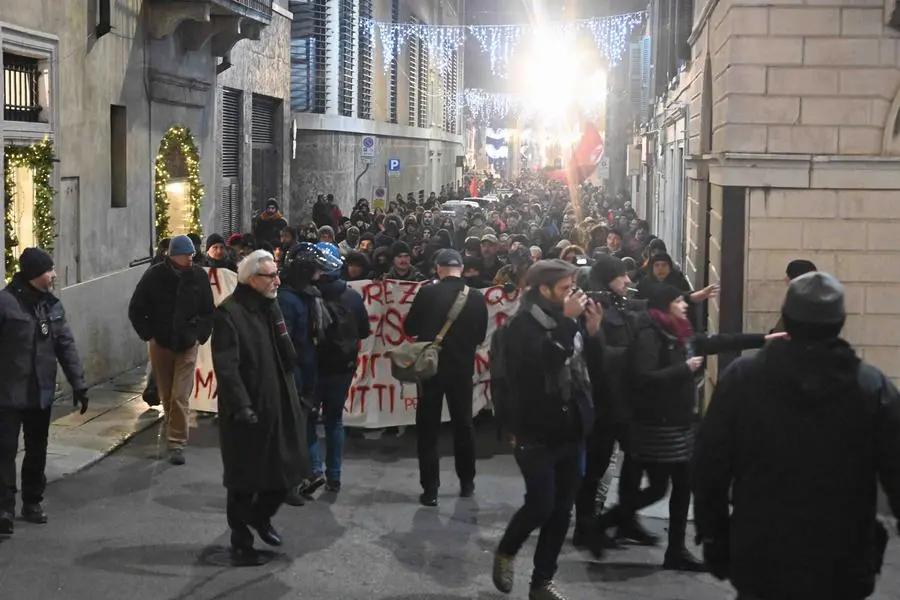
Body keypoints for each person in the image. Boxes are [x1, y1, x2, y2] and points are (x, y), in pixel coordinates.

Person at [693, 272, 900, 600]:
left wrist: (714, 534)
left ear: (787, 319)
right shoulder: (872, 387)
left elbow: (710, 464)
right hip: (843, 556)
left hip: (761, 551)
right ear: (840, 322)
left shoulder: (743, 379)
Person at [492, 259, 603, 600]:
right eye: (565, 289)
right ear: (544, 290)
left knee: (562, 510)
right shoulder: (521, 327)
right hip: (535, 430)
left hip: (572, 429)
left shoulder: (568, 321)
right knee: (541, 504)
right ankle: (507, 550)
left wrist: (594, 334)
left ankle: (542, 581)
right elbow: (544, 365)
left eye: (573, 288)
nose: (572, 295)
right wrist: (570, 322)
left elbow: (588, 368)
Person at [211, 250, 310, 566]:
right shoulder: (229, 313)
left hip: (279, 403)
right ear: (251, 279)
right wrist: (242, 406)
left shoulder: (271, 307)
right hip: (248, 410)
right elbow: (227, 367)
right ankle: (241, 543)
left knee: (288, 470)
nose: (277, 281)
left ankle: (260, 517)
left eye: (277, 274)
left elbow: (284, 354)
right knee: (244, 481)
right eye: (271, 276)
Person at [0, 248, 88, 534]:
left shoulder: (52, 306)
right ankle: (4, 509)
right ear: (35, 274)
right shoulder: (5, 304)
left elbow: (66, 346)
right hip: (8, 394)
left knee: (37, 450)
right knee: (5, 451)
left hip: (41, 392)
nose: (54, 274)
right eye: (49, 270)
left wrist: (79, 383)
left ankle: (32, 502)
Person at [404, 249, 488, 507]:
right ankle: (467, 482)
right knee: (463, 425)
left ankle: (430, 489)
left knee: (428, 429)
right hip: (461, 369)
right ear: (461, 269)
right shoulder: (475, 297)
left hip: (431, 369)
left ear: (438, 268)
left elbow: (410, 328)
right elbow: (481, 335)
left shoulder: (427, 293)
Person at [128, 234, 215, 465]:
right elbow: (136, 307)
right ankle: (172, 425)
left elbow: (208, 309)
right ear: (174, 255)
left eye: (192, 255)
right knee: (166, 393)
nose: (191, 258)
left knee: (180, 394)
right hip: (162, 342)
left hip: (187, 342)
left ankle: (177, 442)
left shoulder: (198, 277)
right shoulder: (155, 276)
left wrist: (200, 334)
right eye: (187, 255)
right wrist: (149, 334)